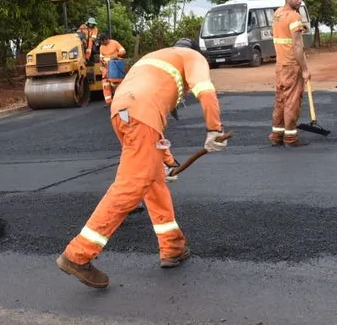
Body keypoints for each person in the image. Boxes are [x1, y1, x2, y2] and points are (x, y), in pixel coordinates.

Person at [55, 38, 228, 289]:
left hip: (121, 111)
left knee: (153, 180)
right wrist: (214, 129)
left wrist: (167, 161)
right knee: (132, 185)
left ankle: (172, 247)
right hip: (141, 114)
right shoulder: (193, 58)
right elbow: (206, 90)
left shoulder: (157, 58)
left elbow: (152, 129)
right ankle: (77, 255)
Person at [268, 0, 311, 148]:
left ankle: (276, 135)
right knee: (292, 101)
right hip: (292, 65)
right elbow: (297, 47)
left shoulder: (277, 14)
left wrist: (300, 28)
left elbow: (276, 33)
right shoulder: (294, 17)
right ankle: (290, 139)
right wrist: (305, 70)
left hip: (280, 65)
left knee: (280, 99)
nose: (300, 1)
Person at [96, 33, 127, 105]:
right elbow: (101, 56)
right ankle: (109, 101)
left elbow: (123, 51)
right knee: (105, 84)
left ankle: (120, 100)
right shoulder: (101, 47)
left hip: (115, 66)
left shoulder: (114, 43)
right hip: (105, 68)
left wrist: (116, 55)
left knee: (116, 84)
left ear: (105, 39)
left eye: (102, 41)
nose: (101, 43)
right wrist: (102, 61)